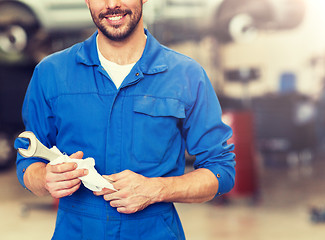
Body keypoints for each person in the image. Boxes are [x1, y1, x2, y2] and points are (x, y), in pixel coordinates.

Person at [15, 0, 236, 239]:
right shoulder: (51, 73)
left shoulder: (186, 75)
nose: (112, 4)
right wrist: (45, 179)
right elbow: (28, 163)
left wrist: (157, 189)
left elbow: (220, 170)